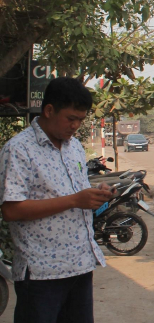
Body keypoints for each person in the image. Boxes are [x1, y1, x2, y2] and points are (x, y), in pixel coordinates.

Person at [0, 77, 113, 323]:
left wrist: (96, 194)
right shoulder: (19, 149)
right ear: (49, 110)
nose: (75, 126)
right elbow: (11, 210)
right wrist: (74, 200)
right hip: (42, 274)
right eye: (70, 118)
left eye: (80, 120)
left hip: (80, 265)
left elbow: (77, 192)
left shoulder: (74, 148)